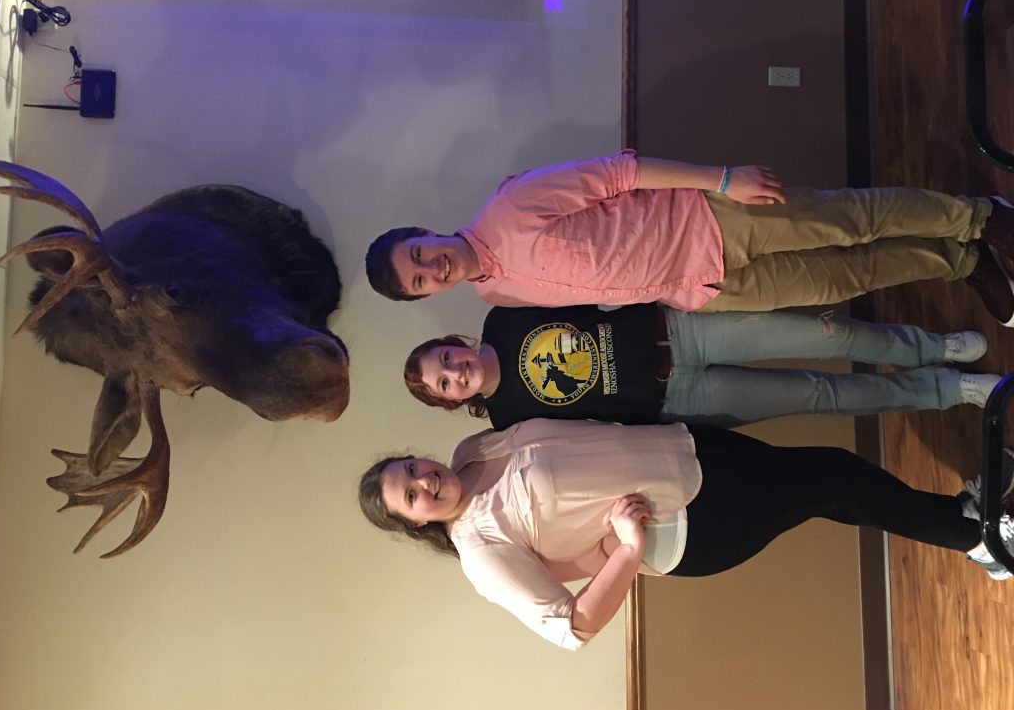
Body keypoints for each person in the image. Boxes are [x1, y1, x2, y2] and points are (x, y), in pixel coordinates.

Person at [358, 418, 1014, 651]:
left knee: (827, 490)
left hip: (689, 451)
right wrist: (629, 549)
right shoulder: (479, 552)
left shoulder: (473, 448)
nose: (424, 482)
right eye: (410, 497)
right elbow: (570, 627)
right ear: (415, 522)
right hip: (691, 522)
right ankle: (979, 539)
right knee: (834, 475)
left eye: (411, 469)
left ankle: (961, 519)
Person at [364, 151, 1014, 325]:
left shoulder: (509, 205)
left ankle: (980, 217)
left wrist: (724, 180)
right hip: (704, 289)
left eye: (419, 254)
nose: (433, 267)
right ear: (427, 295)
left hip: (711, 220)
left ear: (424, 232)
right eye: (421, 281)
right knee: (847, 279)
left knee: (851, 220)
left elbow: (620, 172)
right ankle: (961, 261)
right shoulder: (494, 296)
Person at [402, 304, 1001, 429]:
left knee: (828, 332)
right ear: (453, 400)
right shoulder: (508, 420)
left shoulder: (504, 317)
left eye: (445, 359)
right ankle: (949, 388)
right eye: (444, 384)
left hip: (681, 328)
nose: (455, 372)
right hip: (680, 398)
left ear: (452, 343)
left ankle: (931, 346)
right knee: (821, 394)